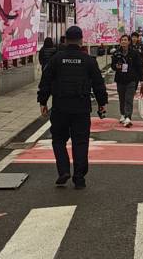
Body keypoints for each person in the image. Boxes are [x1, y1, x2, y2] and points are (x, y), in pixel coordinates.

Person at [37, 25, 108, 189]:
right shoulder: (88, 60)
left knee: (58, 139)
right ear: (81, 40)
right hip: (81, 107)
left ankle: (63, 170)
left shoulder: (56, 59)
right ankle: (79, 177)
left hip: (60, 106)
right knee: (80, 142)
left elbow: (45, 81)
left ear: (66, 40)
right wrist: (102, 103)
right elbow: (98, 84)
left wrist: (43, 102)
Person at [111, 34, 143, 126]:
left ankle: (128, 117)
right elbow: (113, 66)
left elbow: (140, 66)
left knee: (129, 98)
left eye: (125, 40)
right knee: (122, 98)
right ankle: (122, 114)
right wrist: (116, 66)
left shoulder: (134, 53)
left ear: (129, 42)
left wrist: (142, 79)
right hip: (120, 79)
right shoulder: (116, 53)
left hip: (132, 79)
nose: (123, 41)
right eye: (122, 40)